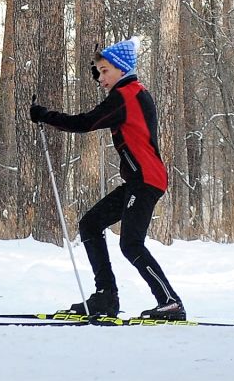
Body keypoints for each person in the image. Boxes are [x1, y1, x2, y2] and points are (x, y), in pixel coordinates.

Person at [28, 38, 185, 321]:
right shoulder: (130, 93)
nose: (100, 78)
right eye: (97, 72)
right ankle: (105, 297)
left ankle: (170, 302)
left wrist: (45, 116)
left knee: (131, 244)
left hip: (146, 180)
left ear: (121, 69)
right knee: (90, 224)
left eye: (104, 71)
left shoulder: (127, 95)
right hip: (139, 180)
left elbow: (86, 122)